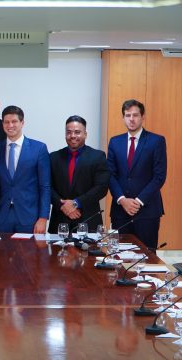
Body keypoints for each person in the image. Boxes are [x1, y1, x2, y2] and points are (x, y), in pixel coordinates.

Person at [107, 99, 166, 249]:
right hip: (120, 211)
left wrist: (138, 201)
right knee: (119, 256)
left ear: (142, 117)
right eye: (128, 115)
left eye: (135, 115)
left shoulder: (156, 141)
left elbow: (159, 177)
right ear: (123, 118)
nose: (131, 119)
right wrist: (122, 200)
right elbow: (110, 175)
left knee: (147, 256)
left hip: (147, 211)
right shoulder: (115, 142)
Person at [0, 105, 50, 234]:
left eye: (14, 121)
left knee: (30, 248)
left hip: (29, 216)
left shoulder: (39, 148)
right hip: (1, 217)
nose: (10, 125)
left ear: (22, 123)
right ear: (2, 124)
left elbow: (45, 186)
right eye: (6, 122)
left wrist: (43, 218)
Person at [49, 115, 110, 233]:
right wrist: (62, 206)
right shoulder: (53, 157)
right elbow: (47, 187)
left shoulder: (98, 156)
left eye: (77, 132)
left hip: (88, 220)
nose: (72, 136)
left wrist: (76, 203)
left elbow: (101, 188)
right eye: (69, 132)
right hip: (60, 222)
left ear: (85, 134)